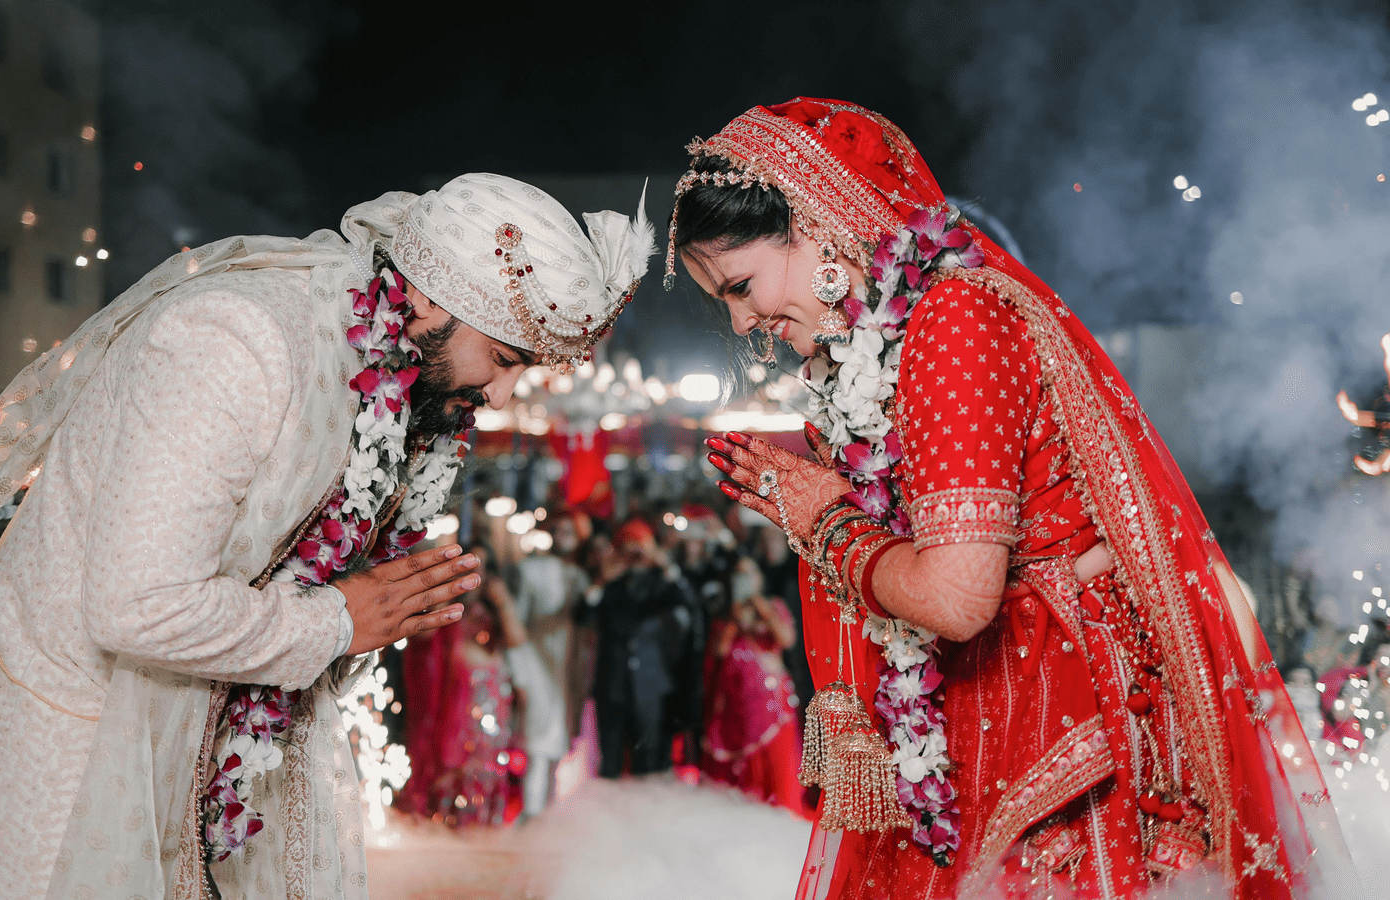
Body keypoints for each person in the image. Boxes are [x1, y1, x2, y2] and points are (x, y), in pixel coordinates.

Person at [0, 173, 652, 900]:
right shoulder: (233, 344)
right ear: (427, 298)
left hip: (200, 742)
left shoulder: (382, 379)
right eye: (507, 360)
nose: (505, 393)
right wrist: (340, 618)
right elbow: (135, 604)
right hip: (70, 748)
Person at [670, 99, 1355, 898]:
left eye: (740, 285)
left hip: (1053, 720)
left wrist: (824, 517)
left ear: (816, 221)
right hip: (995, 708)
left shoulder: (953, 318)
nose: (744, 320)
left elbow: (958, 598)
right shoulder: (892, 342)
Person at [397, 543, 529, 827]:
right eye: (469, 566)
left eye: (482, 567)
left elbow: (518, 640)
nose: (476, 574)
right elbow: (423, 635)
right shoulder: (449, 605)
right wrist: (449, 592)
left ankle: (481, 824)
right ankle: (447, 823)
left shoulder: (494, 609)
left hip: (490, 696)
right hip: (454, 696)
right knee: (451, 761)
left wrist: (502, 602)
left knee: (487, 762)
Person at [576, 519, 703, 778]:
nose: (634, 556)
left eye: (639, 548)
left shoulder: (661, 583)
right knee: (609, 762)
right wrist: (602, 579)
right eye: (627, 548)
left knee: (649, 761)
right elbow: (580, 616)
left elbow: (691, 606)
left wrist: (666, 567)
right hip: (612, 682)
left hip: (650, 682)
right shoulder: (608, 584)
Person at [700, 556, 810, 819]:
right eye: (739, 575)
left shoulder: (773, 606)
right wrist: (735, 618)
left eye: (750, 574)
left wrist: (762, 610)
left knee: (773, 764)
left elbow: (786, 639)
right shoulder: (726, 613)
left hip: (771, 702)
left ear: (759, 578)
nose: (745, 580)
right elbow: (720, 650)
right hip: (736, 702)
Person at [506, 514, 591, 818]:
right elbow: (517, 623)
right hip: (538, 667)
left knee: (559, 743)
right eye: (558, 529)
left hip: (568, 671)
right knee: (537, 745)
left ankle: (550, 816)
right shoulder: (530, 571)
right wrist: (519, 673)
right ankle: (531, 814)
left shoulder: (580, 578)